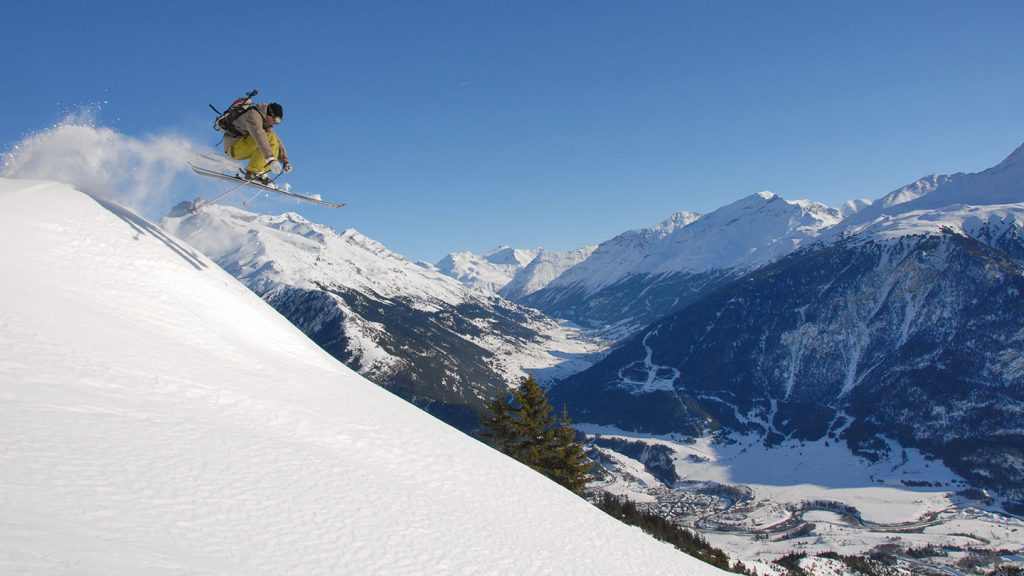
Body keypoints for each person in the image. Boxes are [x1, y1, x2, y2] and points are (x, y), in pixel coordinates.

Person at [223, 102, 292, 184]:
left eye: (279, 121)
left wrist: (285, 161)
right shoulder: (254, 115)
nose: (276, 123)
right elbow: (258, 135)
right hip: (233, 147)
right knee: (268, 138)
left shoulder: (265, 123)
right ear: (270, 114)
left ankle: (262, 172)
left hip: (242, 146)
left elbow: (277, 142)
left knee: (273, 139)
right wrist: (270, 159)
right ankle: (253, 172)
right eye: (276, 119)